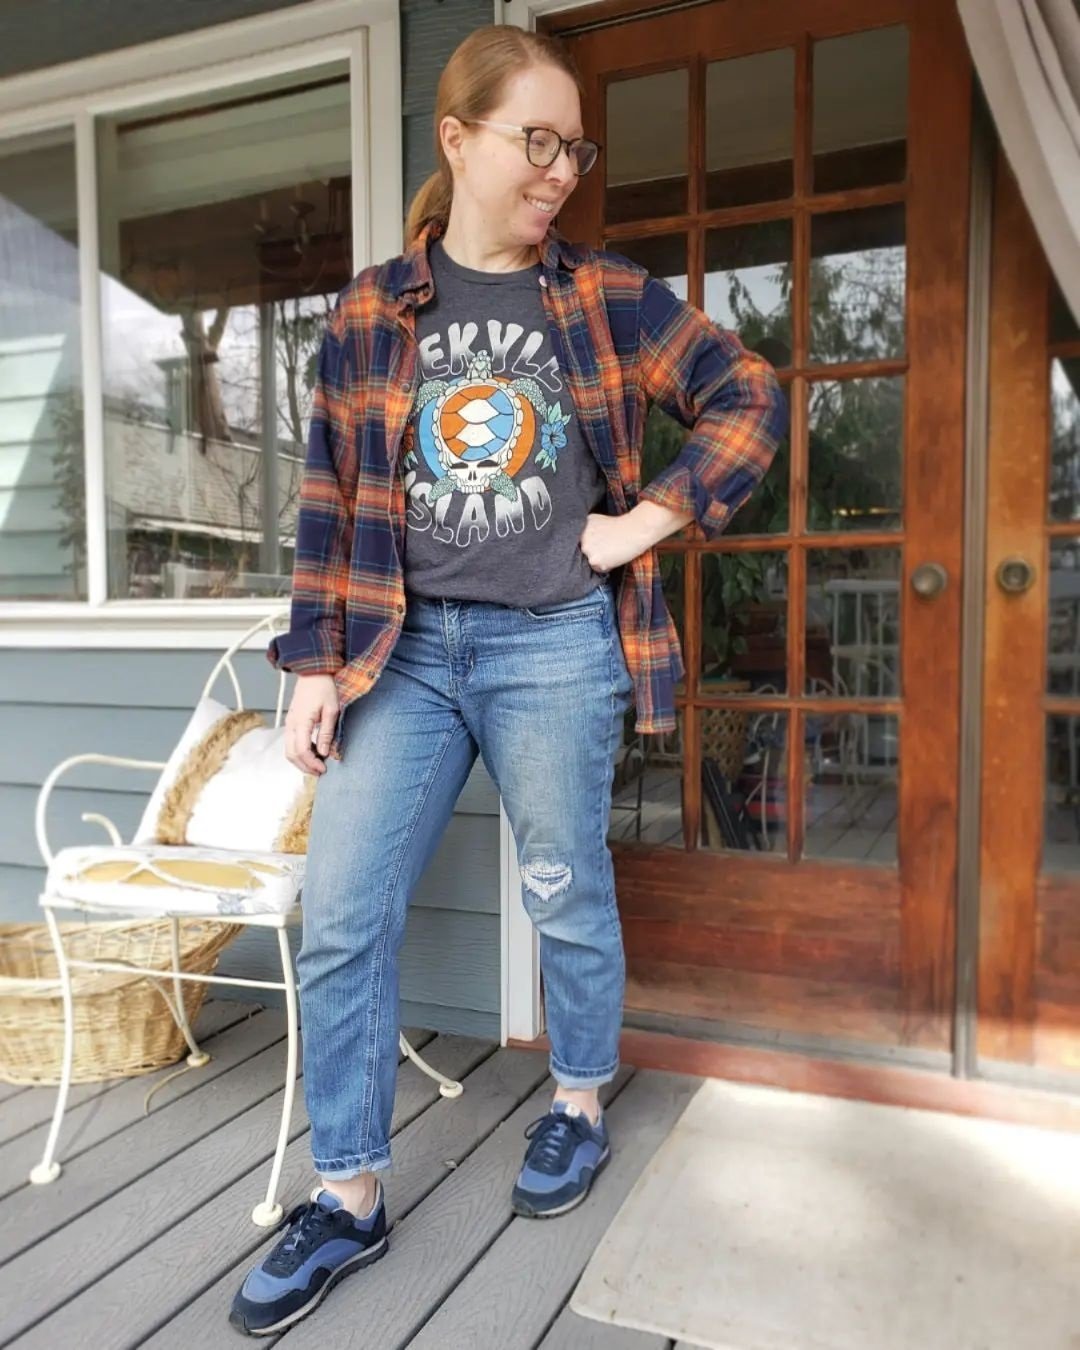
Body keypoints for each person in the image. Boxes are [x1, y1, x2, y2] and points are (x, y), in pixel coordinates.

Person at [229, 23, 785, 1337]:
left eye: (572, 149)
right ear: (458, 137)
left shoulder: (604, 297)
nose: (559, 171)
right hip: (404, 653)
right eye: (536, 140)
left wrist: (643, 521)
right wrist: (313, 666)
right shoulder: (371, 312)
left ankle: (577, 1101)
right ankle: (348, 1191)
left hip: (553, 645)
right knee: (344, 910)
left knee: (561, 889)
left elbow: (749, 395)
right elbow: (330, 503)